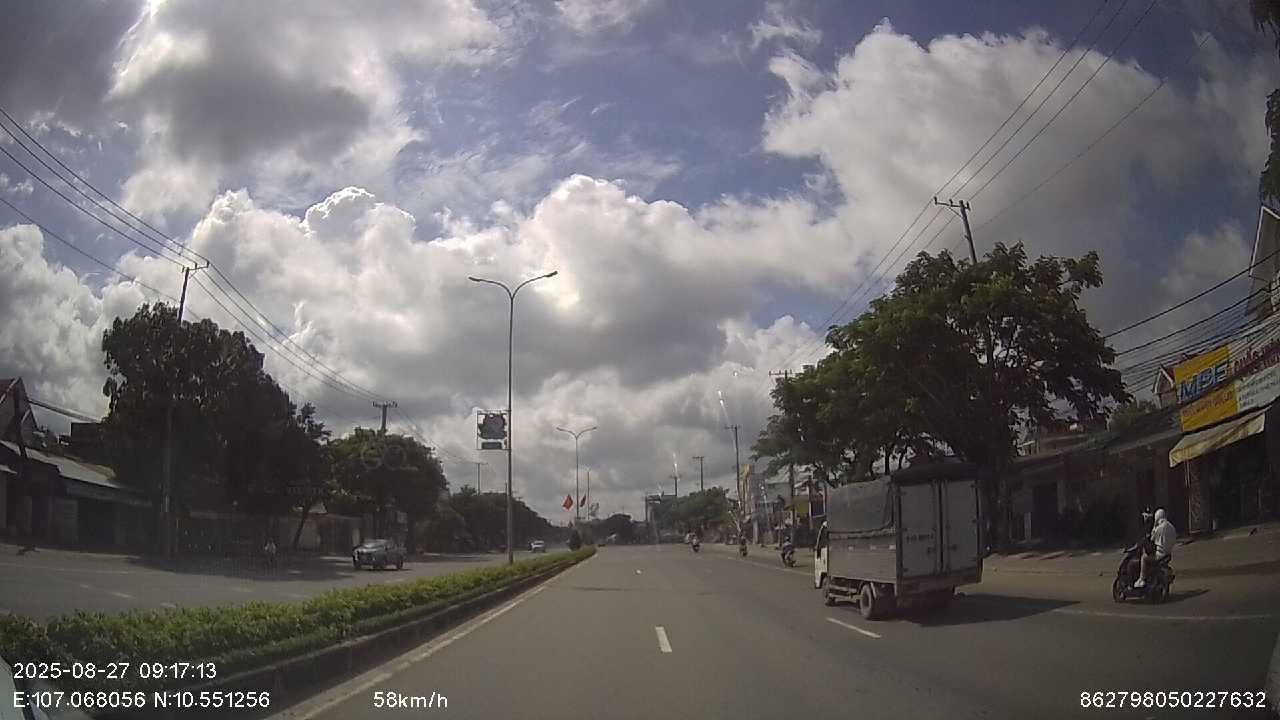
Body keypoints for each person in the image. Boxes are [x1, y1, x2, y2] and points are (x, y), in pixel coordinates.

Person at [1135, 508, 1176, 588]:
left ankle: (1141, 579)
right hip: (1168, 554)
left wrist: (1154, 527)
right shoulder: (1171, 526)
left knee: (1144, 558)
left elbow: (1151, 539)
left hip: (1159, 555)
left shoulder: (1159, 528)